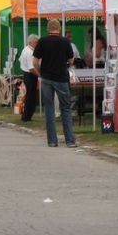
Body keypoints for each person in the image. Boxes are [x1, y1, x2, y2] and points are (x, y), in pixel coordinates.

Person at [33, 19, 76, 148]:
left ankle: (52, 141)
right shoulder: (65, 41)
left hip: (46, 78)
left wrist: (40, 73)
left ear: (48, 29)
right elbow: (72, 59)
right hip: (61, 78)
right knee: (65, 108)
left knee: (49, 108)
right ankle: (69, 140)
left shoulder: (42, 42)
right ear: (59, 28)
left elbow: (35, 61)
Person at [19, 34, 39, 122]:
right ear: (30, 42)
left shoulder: (25, 49)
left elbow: (20, 60)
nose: (37, 44)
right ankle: (26, 117)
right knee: (30, 97)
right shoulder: (29, 52)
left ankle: (27, 116)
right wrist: (40, 75)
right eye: (36, 42)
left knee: (30, 96)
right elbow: (31, 68)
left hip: (27, 74)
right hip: (30, 75)